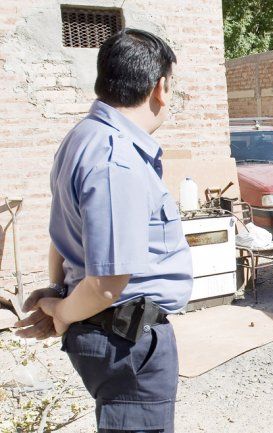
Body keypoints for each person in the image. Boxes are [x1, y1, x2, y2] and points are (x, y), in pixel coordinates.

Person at [14, 28, 193, 433]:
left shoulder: (83, 137)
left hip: (109, 331)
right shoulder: (117, 159)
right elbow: (109, 283)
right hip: (126, 343)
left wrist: (61, 293)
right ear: (159, 88)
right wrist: (61, 313)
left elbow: (61, 237)